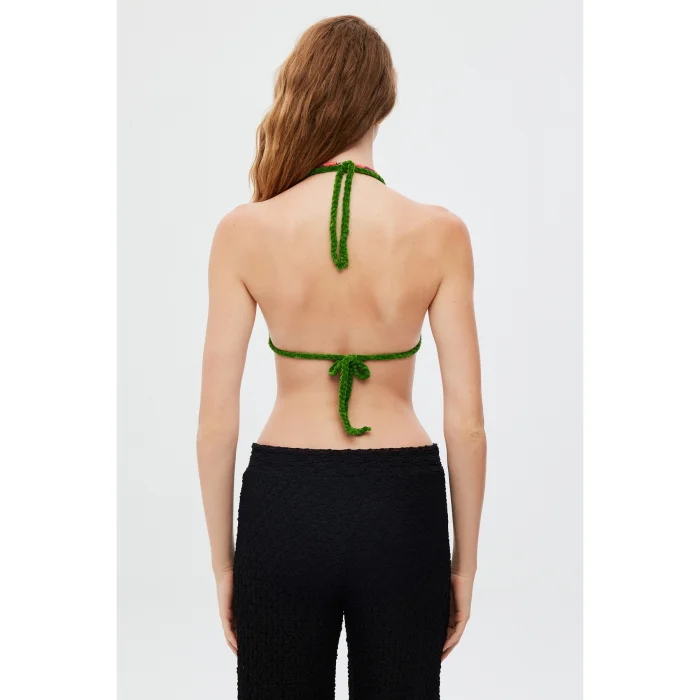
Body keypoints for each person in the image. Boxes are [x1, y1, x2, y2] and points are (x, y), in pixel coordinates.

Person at [197, 15, 486, 699]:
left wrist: (224, 565)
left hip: (284, 507)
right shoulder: (440, 233)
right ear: (384, 101)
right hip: (402, 508)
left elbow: (215, 422)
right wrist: (464, 566)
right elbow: (467, 423)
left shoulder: (244, 231)